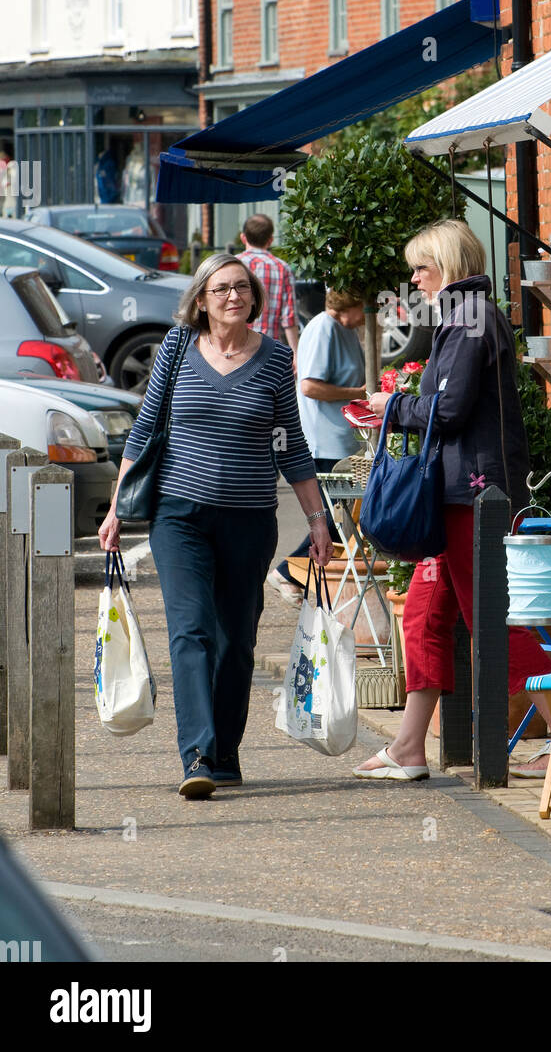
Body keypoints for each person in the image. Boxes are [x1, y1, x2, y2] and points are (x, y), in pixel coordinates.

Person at [352, 219, 551, 782]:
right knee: (423, 617)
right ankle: (408, 747)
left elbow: (449, 409)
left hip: (473, 496)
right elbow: (449, 403)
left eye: (421, 268)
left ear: (447, 265)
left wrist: (391, 408)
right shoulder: (463, 316)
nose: (414, 280)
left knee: (491, 621)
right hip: (458, 495)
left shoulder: (468, 317)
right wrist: (402, 405)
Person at [98, 253, 332, 799]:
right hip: (178, 515)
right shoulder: (177, 348)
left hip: (249, 519)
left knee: (236, 640)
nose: (235, 296)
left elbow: (291, 446)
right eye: (222, 288)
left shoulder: (275, 359)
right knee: (191, 630)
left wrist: (317, 519)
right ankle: (198, 753)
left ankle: (225, 750)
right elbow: (143, 431)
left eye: (243, 288)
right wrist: (115, 508)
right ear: (201, 299)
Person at [266, 289, 366, 604]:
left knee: (343, 521)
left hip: (341, 439)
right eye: (366, 306)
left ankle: (298, 577)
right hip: (324, 442)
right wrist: (359, 393)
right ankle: (287, 572)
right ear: (351, 303)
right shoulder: (324, 328)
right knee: (337, 522)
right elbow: (309, 386)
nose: (369, 315)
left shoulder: (346, 329)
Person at [238, 213, 298, 362]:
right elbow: (289, 317)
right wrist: (295, 354)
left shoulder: (233, 264)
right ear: (270, 240)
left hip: (236, 347)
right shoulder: (282, 268)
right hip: (269, 350)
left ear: (243, 238)